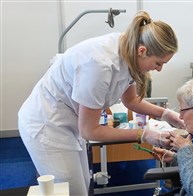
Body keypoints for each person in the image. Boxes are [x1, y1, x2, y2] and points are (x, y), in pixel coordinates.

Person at [18, 11, 184, 195]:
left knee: (84, 183)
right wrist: (143, 134)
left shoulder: (130, 49)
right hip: (46, 125)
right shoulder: (99, 65)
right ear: (142, 51)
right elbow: (90, 130)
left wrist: (167, 114)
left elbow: (130, 100)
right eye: (159, 63)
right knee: (71, 190)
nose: (159, 69)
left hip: (69, 124)